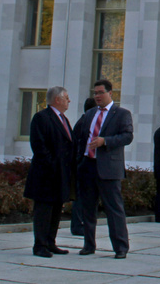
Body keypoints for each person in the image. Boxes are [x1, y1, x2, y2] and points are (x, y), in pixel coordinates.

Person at [73, 79, 133, 259]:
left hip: (108, 168)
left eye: (101, 92)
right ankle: (88, 245)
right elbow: (80, 137)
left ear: (110, 93)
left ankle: (120, 247)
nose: (97, 96)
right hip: (88, 166)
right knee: (88, 209)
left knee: (114, 209)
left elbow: (127, 136)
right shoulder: (89, 114)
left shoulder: (121, 114)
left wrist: (105, 141)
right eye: (95, 93)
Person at [24, 86, 75, 257]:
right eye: (66, 98)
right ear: (57, 100)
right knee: (44, 211)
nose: (69, 101)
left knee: (56, 210)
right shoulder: (42, 118)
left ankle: (50, 242)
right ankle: (40, 245)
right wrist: (52, 165)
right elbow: (39, 146)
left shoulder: (63, 119)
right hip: (46, 175)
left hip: (61, 174)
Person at [70, 95, 96, 237]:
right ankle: (77, 225)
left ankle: (82, 224)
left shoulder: (85, 122)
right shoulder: (83, 123)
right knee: (80, 197)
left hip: (84, 165)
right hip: (81, 165)